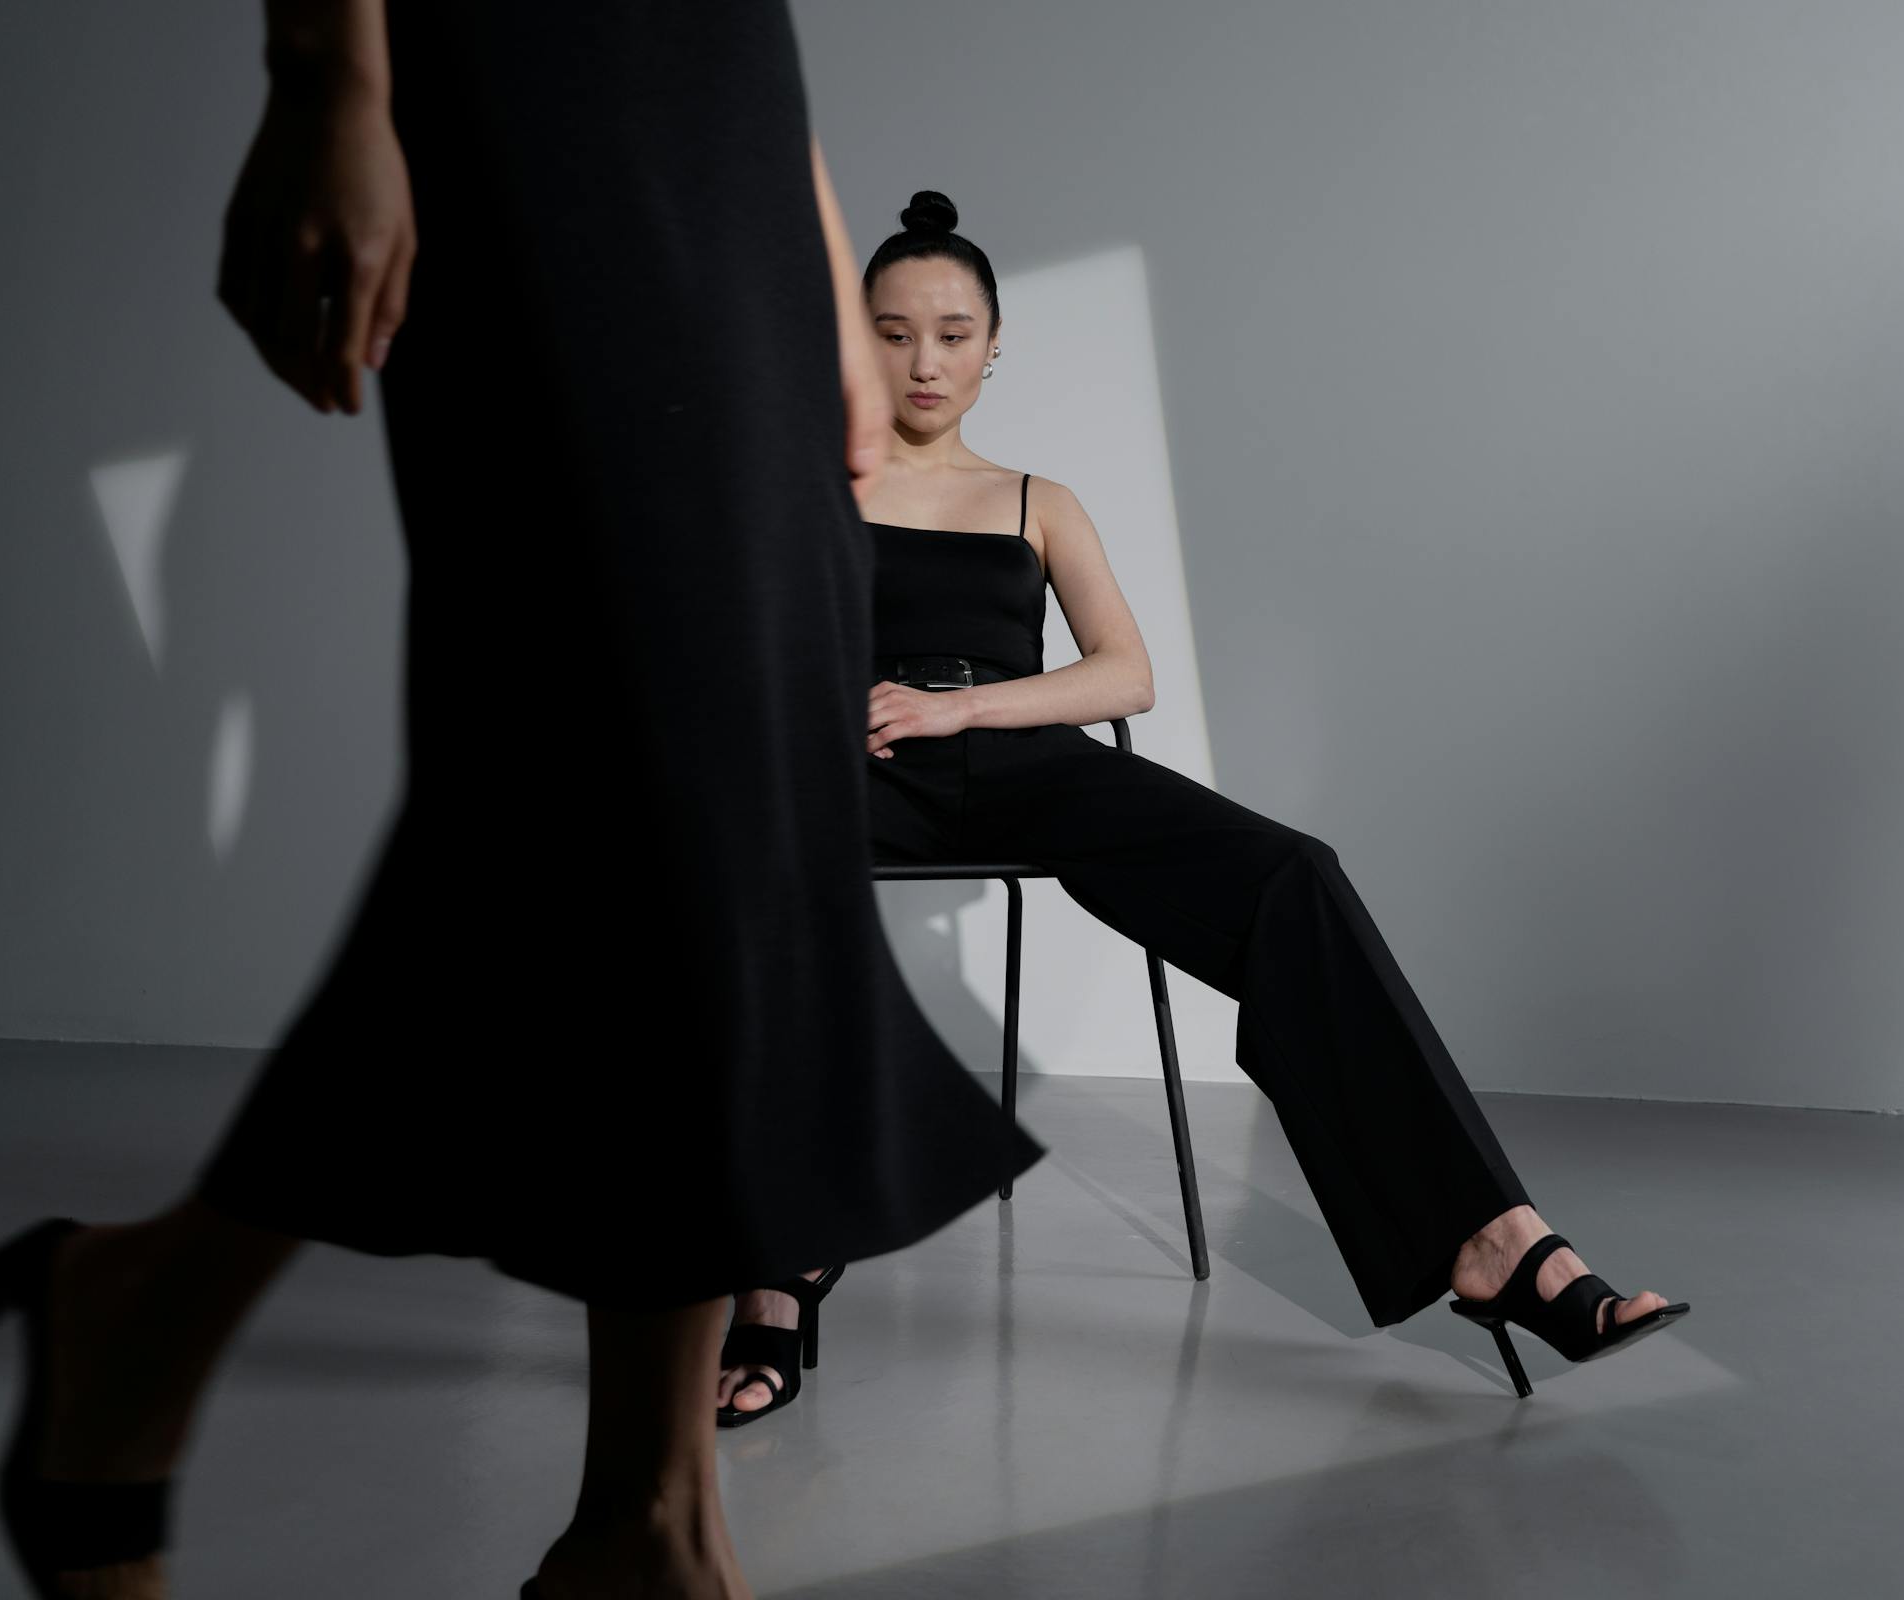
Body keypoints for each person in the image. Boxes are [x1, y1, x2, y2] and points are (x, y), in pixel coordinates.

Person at [0, 8, 1032, 1596]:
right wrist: (329, 69)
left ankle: (637, 1510)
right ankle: (603, 1508)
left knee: (709, 753)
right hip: (523, 71)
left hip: (718, 101)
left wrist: (802, 224)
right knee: (634, 733)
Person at [713, 192, 1688, 1425]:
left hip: (1022, 762)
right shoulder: (806, 484)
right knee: (744, 885)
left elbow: (1127, 674)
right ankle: (780, 1265)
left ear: (995, 344)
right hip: (855, 770)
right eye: (896, 333)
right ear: (858, 344)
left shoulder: (1036, 499)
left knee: (1294, 876)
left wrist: (966, 709)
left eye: (953, 333)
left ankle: (1497, 1239)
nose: (926, 361)